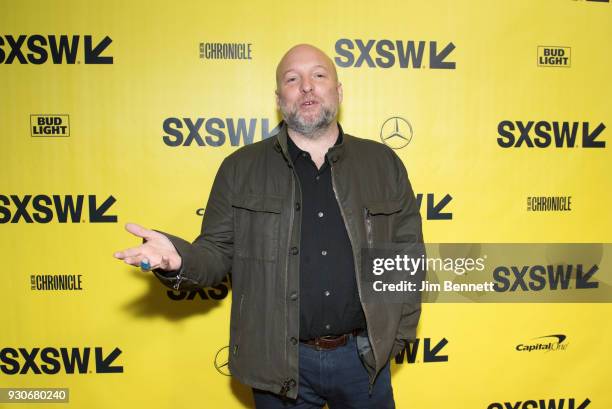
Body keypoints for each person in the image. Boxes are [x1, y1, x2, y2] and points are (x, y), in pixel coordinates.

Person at [114, 44, 424, 409]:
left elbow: (406, 256)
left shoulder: (382, 163)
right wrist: (181, 260)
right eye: (293, 79)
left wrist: (394, 339)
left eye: (319, 75)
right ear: (279, 99)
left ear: (338, 91)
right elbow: (215, 255)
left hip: (364, 360)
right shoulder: (240, 168)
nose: (307, 86)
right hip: (277, 364)